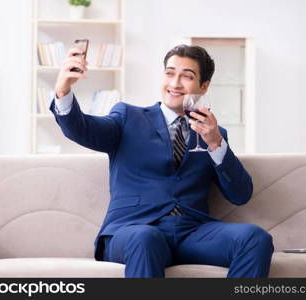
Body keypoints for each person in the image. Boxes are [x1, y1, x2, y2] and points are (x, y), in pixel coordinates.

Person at [50, 44, 274, 278]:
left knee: (255, 238)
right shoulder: (128, 117)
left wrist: (216, 144)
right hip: (134, 230)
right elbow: (81, 129)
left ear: (204, 86)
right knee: (147, 238)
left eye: (187, 76)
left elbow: (241, 194)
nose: (175, 83)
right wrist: (63, 90)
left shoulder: (214, 134)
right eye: (170, 73)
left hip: (192, 232)